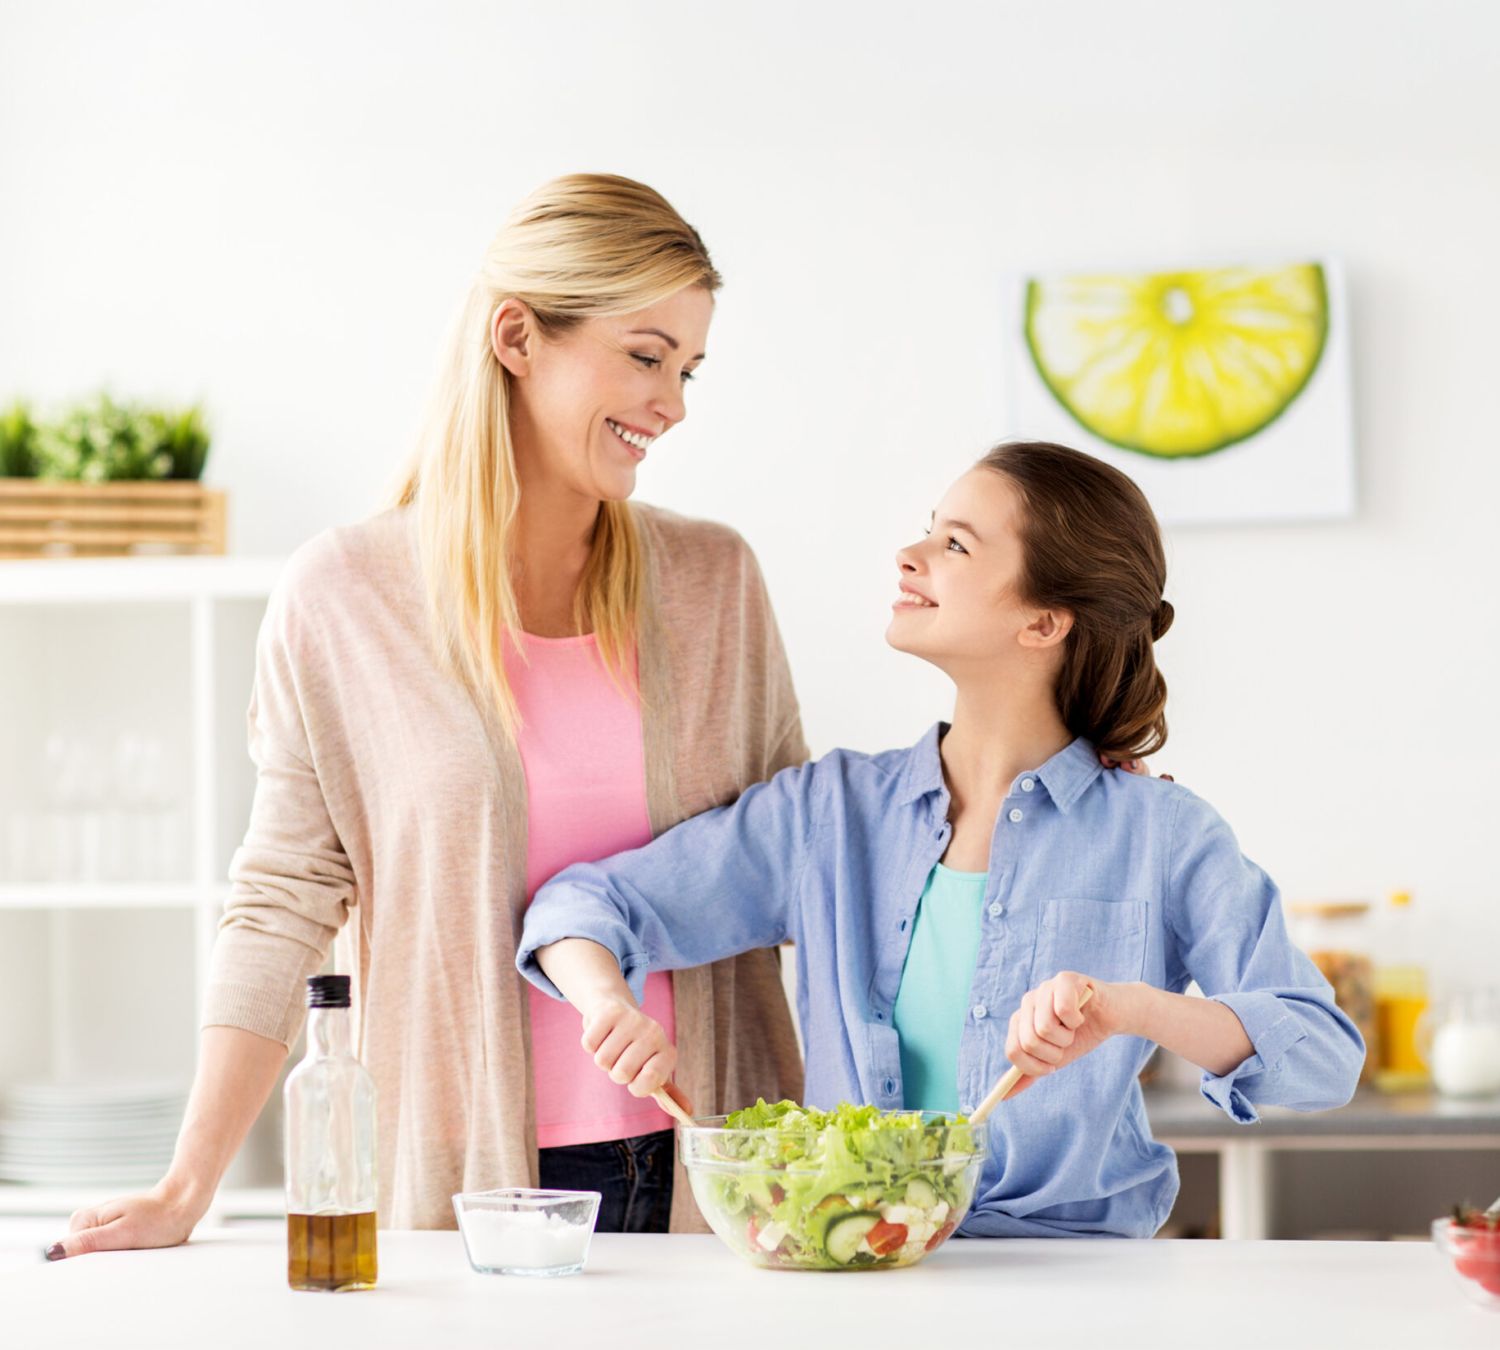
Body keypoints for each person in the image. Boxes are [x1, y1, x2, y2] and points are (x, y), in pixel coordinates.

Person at [48, 174, 806, 1260]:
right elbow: (282, 900)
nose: (673, 403)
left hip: (718, 1174)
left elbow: (802, 857)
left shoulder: (714, 582)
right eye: (646, 357)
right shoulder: (345, 596)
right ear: (517, 337)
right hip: (472, 1188)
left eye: (687, 370)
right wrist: (186, 1185)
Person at [518, 440, 1364, 1239]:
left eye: (955, 545)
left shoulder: (1162, 834)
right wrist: (605, 1003)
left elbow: (1321, 1055)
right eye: (929, 530)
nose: (910, 556)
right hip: (861, 1269)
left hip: (1086, 1287)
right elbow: (582, 903)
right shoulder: (832, 814)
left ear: (1043, 622)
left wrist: (1127, 1009)